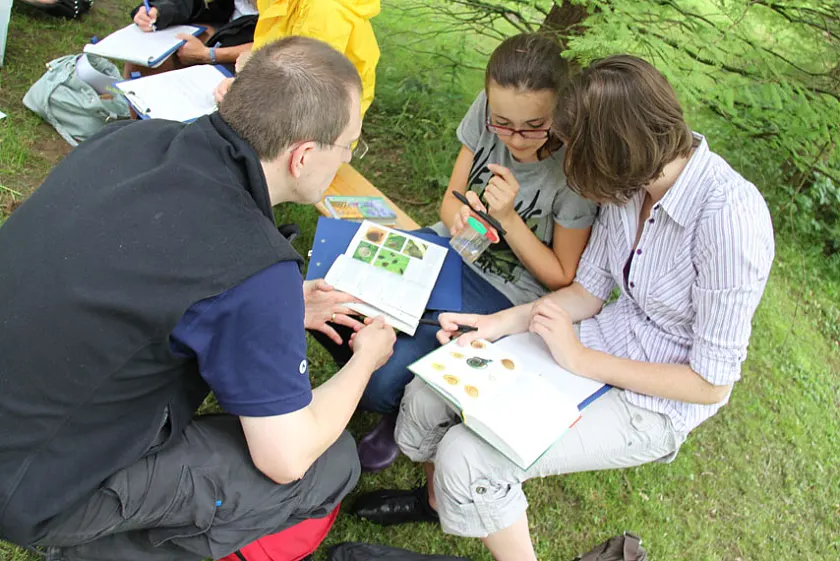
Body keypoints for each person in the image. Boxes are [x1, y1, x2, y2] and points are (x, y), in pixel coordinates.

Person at [352, 55, 776, 561]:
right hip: (594, 343)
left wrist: (579, 360)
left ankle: (462, 491)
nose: (564, 161)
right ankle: (439, 501)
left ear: (614, 152)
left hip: (655, 402)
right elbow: (588, 291)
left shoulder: (731, 220)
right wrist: (499, 324)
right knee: (428, 392)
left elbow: (712, 383)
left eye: (572, 149)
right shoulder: (633, 177)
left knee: (469, 454)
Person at [0, 37, 396, 561]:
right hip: (29, 487)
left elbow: (150, 266)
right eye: (349, 145)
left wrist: (279, 309)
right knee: (332, 463)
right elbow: (287, 457)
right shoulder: (253, 267)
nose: (348, 157)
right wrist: (366, 361)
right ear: (303, 156)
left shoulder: (135, 140)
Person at [313, 33, 597, 472]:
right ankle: (389, 373)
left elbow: (560, 277)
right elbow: (451, 201)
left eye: (534, 126)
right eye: (501, 123)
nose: (515, 138)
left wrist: (509, 220)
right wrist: (464, 219)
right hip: (448, 250)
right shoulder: (486, 113)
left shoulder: (574, 171)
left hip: (505, 293)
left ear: (562, 110)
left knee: (380, 379)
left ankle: (395, 401)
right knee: (328, 296)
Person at [213, 0, 380, 118]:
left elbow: (303, 94)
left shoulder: (323, 12)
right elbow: (271, 54)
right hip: (278, 105)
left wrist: (246, 90)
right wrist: (244, 82)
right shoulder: (280, 3)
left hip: (314, 130)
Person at [127, 0, 259, 76]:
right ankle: (132, 122)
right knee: (144, 56)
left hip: (257, 55)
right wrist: (159, 9)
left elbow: (274, 43)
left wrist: (210, 54)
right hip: (225, 26)